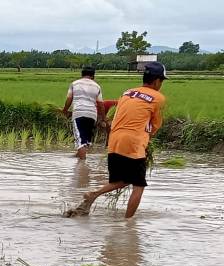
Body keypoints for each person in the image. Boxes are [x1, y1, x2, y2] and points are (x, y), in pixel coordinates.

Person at [65, 61, 167, 219]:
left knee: (123, 180)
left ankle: (93, 194)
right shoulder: (158, 98)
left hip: (114, 141)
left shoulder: (127, 93)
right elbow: (154, 127)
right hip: (133, 143)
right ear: (156, 81)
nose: (161, 85)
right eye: (161, 81)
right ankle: (128, 224)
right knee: (139, 185)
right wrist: (146, 144)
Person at [62, 66, 104, 160]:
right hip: (92, 115)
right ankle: (79, 157)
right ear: (93, 76)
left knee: (80, 141)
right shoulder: (97, 86)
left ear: (82, 75)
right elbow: (101, 104)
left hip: (79, 113)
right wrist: (103, 118)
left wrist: (64, 110)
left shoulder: (74, 84)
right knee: (85, 140)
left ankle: (82, 165)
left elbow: (69, 99)